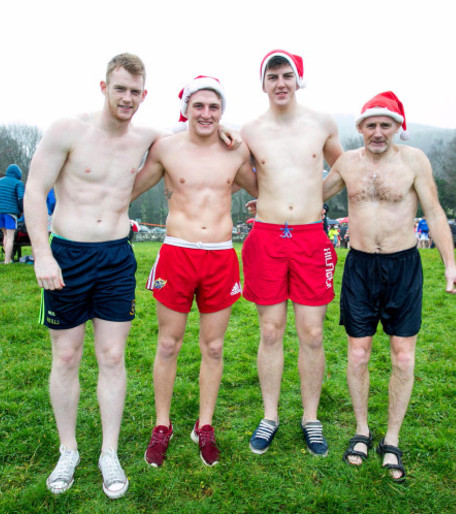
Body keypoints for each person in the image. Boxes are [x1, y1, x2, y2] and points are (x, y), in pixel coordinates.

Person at [23, 54, 240, 499]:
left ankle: (108, 452)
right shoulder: (68, 129)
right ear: (103, 87)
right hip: (66, 254)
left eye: (135, 92)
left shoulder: (150, 137)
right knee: (65, 357)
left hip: (116, 257)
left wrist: (223, 132)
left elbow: (194, 139)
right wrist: (42, 255)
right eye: (120, 88)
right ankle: (68, 450)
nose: (127, 98)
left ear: (145, 96)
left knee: (112, 356)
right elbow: (32, 189)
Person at [323, 91, 456, 482]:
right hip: (360, 266)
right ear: (361, 128)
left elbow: (435, 212)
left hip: (403, 266)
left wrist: (450, 265)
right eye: (371, 125)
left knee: (403, 357)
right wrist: (269, 203)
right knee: (358, 354)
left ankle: (392, 438)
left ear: (398, 126)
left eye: (386, 124)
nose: (378, 132)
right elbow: (312, 196)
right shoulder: (347, 163)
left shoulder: (414, 160)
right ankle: (361, 431)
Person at [131, 75, 257, 469]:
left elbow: (264, 187)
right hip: (177, 253)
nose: (206, 114)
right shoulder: (166, 148)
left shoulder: (237, 151)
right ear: (185, 108)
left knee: (214, 347)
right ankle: (162, 426)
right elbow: (128, 188)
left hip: (220, 255)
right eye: (198, 106)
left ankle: (205, 425)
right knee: (168, 344)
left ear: (222, 112)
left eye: (214, 107)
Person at [240, 49, 343, 457]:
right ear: (262, 83)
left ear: (298, 79)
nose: (280, 82)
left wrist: (315, 197)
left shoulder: (322, 123)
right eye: (272, 76)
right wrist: (264, 196)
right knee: (270, 330)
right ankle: (270, 414)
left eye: (287, 75)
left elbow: (345, 168)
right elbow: (236, 171)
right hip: (266, 236)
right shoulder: (249, 130)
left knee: (312, 332)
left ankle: (311, 418)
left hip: (309, 237)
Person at [0, 164, 25, 264]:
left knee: (5, 235)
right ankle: (7, 260)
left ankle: (6, 258)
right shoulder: (18, 183)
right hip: (10, 213)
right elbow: (21, 198)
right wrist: (21, 211)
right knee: (10, 236)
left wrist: (0, 202)